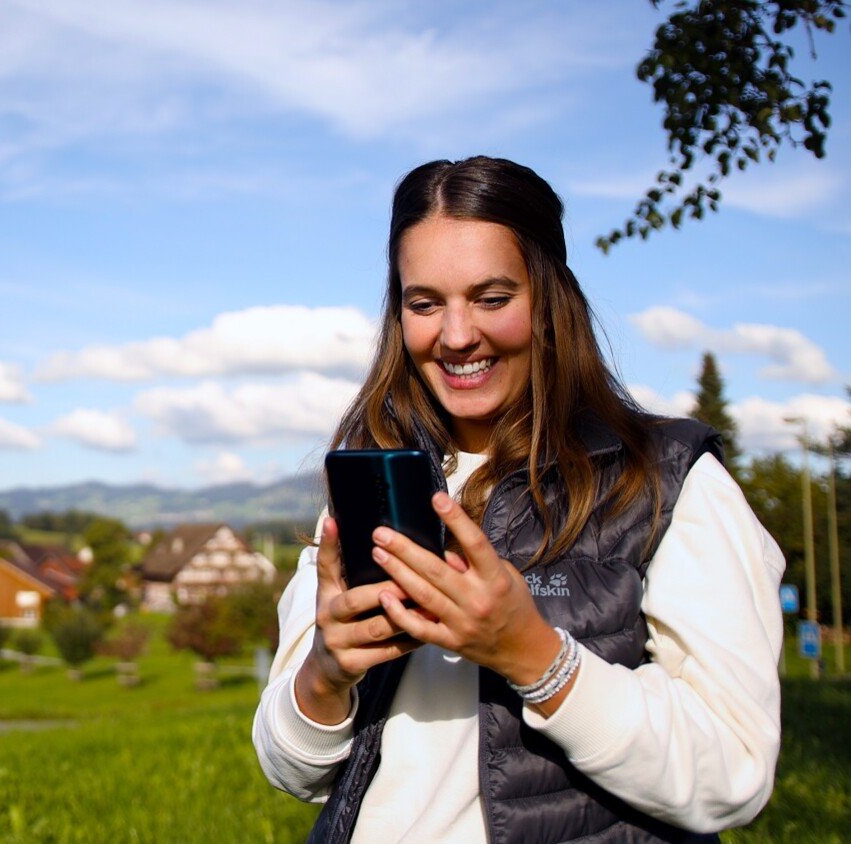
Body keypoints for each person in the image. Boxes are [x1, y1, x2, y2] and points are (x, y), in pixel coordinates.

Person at [252, 156, 784, 844]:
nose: (455, 334)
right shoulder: (370, 493)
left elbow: (733, 775)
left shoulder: (667, 482)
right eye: (423, 303)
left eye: (491, 297)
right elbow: (288, 769)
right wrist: (323, 675)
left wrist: (533, 656)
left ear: (548, 298)